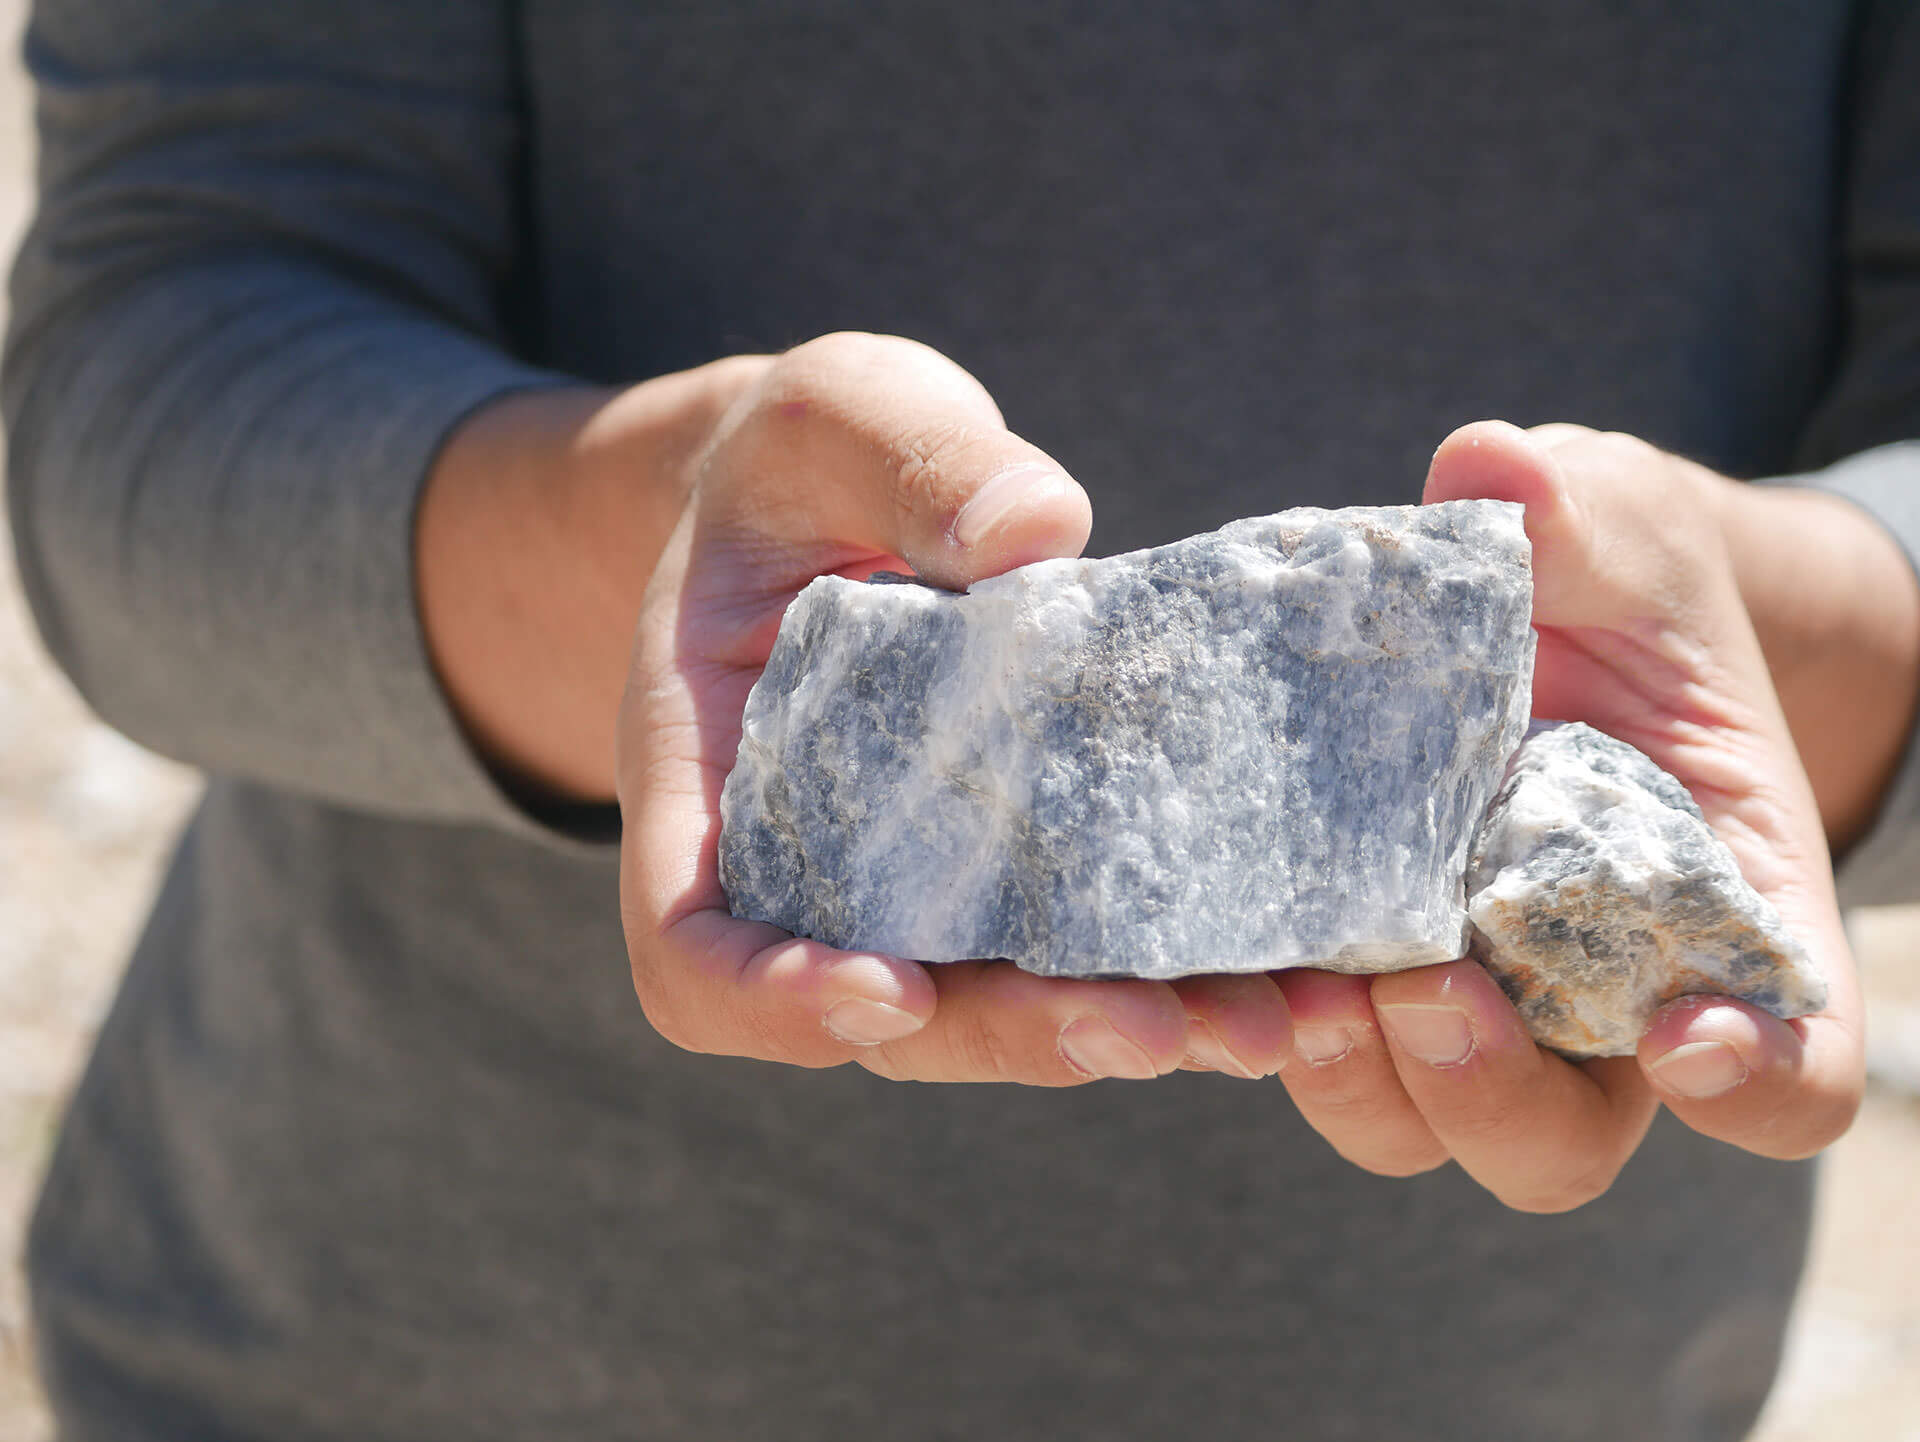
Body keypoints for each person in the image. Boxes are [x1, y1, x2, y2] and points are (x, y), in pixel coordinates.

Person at [6, 2, 1918, 1438]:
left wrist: (1763, 644)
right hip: (423, 1350)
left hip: (1534, 1389)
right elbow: (154, 390)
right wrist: (666, 543)